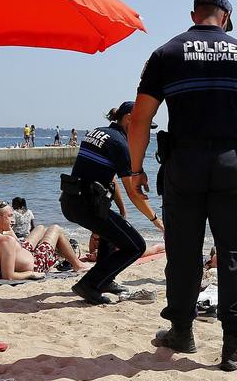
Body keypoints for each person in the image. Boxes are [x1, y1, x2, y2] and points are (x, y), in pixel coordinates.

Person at [125, 0, 237, 371]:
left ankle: (182, 330)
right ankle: (234, 345)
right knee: (233, 253)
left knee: (182, 251)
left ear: (196, 15)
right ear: (225, 17)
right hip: (232, 164)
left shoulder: (165, 54)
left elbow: (141, 117)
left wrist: (134, 168)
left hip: (183, 163)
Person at [60, 102, 164, 304]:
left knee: (111, 235)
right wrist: (155, 220)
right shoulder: (120, 144)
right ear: (128, 119)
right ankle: (89, 285)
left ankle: (106, 281)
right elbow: (133, 191)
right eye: (142, 124)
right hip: (87, 206)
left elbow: (110, 178)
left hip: (72, 201)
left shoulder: (98, 133)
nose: (144, 131)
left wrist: (121, 211)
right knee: (136, 246)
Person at [0, 200, 86, 280]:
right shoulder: (6, 241)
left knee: (40, 228)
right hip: (36, 264)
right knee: (55, 228)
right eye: (10, 216)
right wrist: (30, 273)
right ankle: (78, 265)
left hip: (20, 252)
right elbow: (8, 277)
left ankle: (59, 252)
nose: (13, 219)